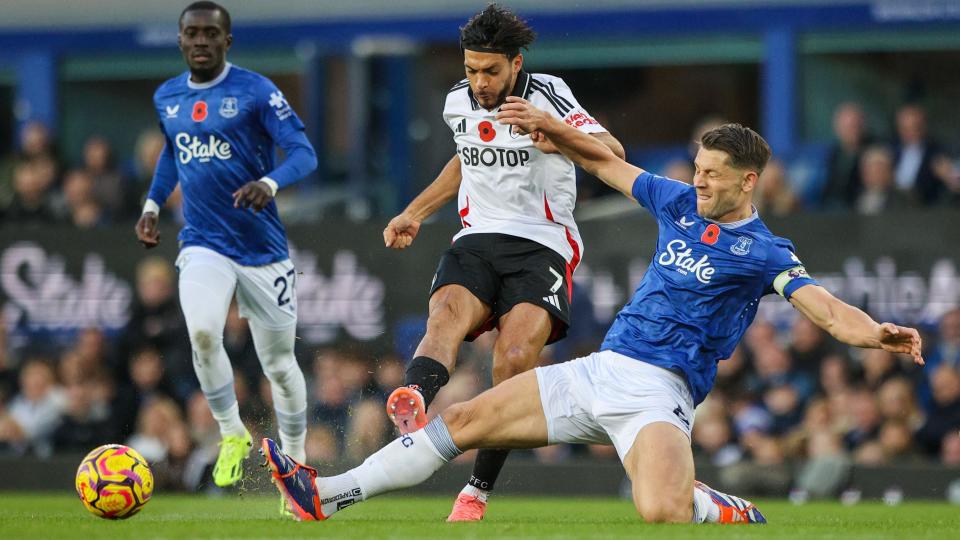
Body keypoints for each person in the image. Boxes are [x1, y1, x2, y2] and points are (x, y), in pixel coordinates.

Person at [264, 110, 924, 523]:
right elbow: (607, 162)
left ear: (748, 182)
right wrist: (552, 129)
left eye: (714, 175)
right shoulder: (678, 202)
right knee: (462, 420)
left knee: (659, 512)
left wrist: (876, 333)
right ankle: (328, 493)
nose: (698, 181)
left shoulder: (764, 252)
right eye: (697, 169)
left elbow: (826, 309)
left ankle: (708, 504)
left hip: (659, 394)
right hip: (600, 369)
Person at [379, 4, 624, 522]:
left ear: (515, 64)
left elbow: (612, 151)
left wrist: (551, 130)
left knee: (513, 358)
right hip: (478, 237)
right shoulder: (456, 103)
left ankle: (477, 490)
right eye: (471, 69)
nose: (479, 82)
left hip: (543, 244)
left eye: (490, 71)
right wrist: (415, 211)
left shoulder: (548, 93)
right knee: (444, 312)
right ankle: (415, 396)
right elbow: (464, 159)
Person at [134, 1, 317, 500]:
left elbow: (304, 152)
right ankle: (231, 431)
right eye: (190, 33)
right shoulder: (167, 96)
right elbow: (173, 152)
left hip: (263, 250)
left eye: (209, 34)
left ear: (226, 41)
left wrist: (270, 182)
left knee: (279, 364)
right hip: (203, 243)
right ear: (179, 40)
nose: (199, 41)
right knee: (201, 332)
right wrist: (152, 203)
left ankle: (295, 467)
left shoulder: (256, 91)